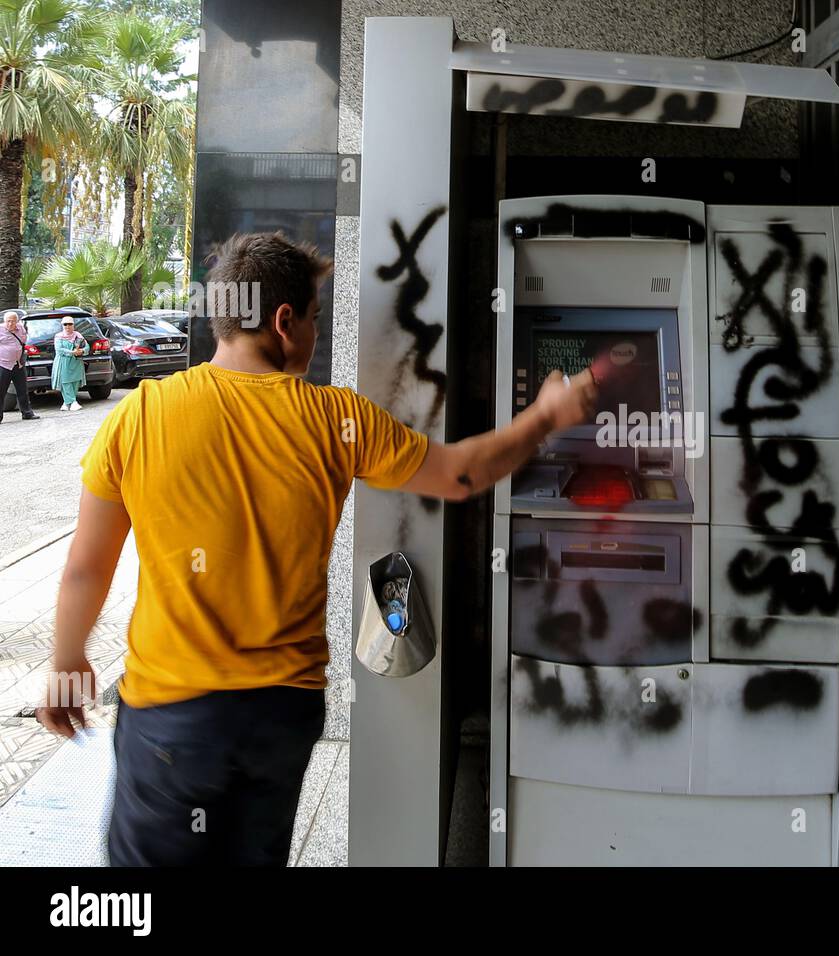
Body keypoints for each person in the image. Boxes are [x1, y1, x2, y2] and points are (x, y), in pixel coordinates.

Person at [34, 231, 596, 866]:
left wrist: (67, 660)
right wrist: (547, 415)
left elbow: (87, 565)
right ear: (282, 321)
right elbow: (459, 474)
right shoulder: (335, 419)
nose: (315, 333)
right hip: (282, 712)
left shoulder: (142, 416)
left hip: (173, 717)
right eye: (313, 318)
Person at [0, 310, 39, 422]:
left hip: (18, 364)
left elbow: (23, 341)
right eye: (8, 321)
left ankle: (27, 413)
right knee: (1, 391)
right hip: (4, 365)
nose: (10, 324)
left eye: (13, 321)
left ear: (17, 321)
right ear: (4, 321)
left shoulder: (20, 328)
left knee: (22, 390)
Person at [51, 317, 88, 411]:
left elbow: (86, 347)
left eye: (70, 324)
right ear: (62, 325)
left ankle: (67, 403)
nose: (68, 326)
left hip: (76, 362)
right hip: (64, 362)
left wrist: (82, 351)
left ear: (73, 325)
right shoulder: (59, 336)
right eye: (65, 324)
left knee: (75, 381)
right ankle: (73, 402)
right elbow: (59, 350)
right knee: (65, 381)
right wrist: (72, 352)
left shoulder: (78, 335)